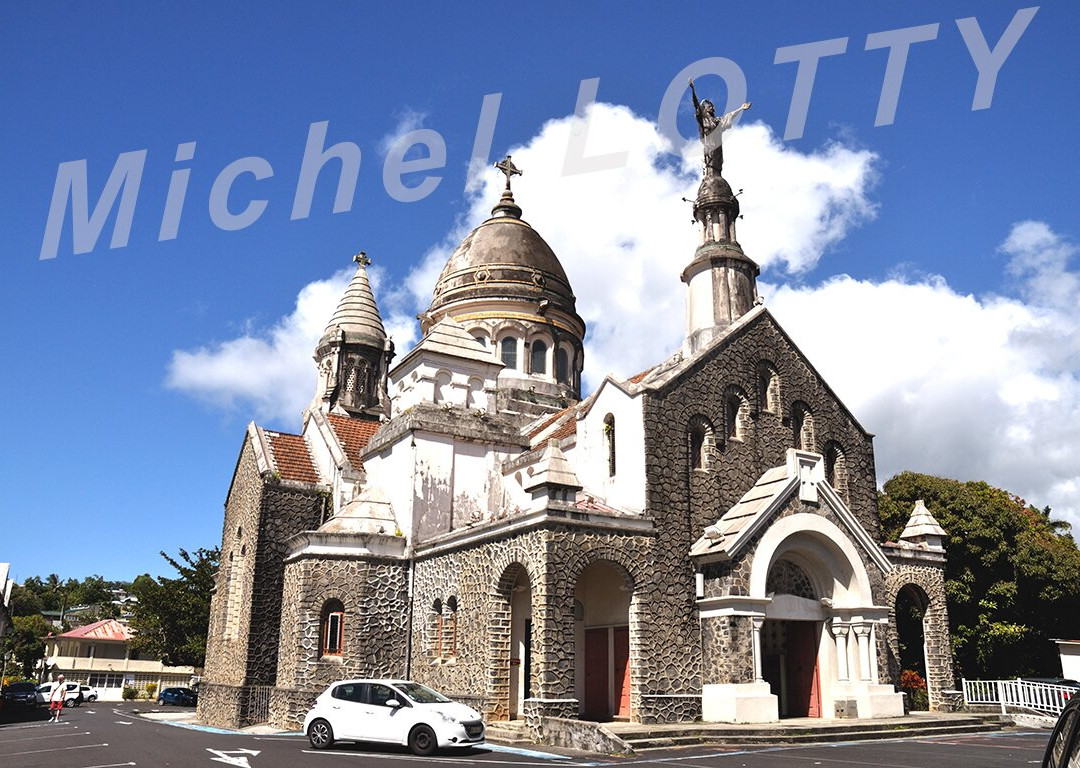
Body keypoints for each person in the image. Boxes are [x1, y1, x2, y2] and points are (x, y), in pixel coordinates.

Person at [689, 77, 751, 177]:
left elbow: (729, 116)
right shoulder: (703, 119)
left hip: (717, 146)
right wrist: (692, 89)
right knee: (710, 165)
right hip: (709, 145)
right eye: (709, 106)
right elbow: (696, 104)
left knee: (717, 166)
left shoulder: (717, 121)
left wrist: (741, 108)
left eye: (712, 106)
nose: (712, 108)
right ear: (705, 109)